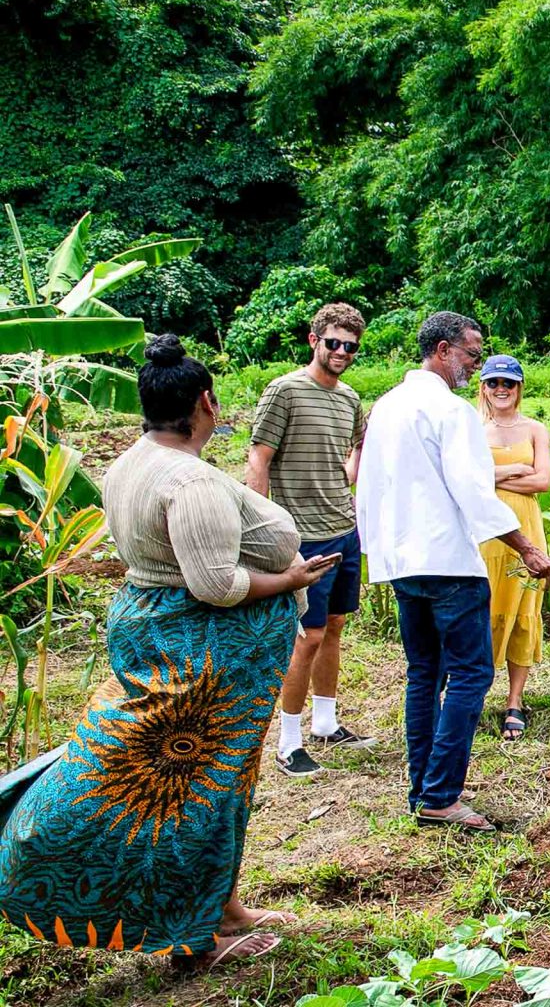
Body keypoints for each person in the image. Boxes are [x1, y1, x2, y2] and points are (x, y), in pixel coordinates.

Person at [0, 335, 334, 968]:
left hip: (160, 633)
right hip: (196, 653)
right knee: (188, 791)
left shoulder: (133, 460)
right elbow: (216, 585)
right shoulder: (191, 480)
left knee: (221, 782)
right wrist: (291, 580)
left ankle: (224, 907)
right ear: (206, 403)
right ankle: (194, 936)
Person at [357, 312, 550, 833]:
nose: (474, 363)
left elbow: (368, 486)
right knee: (470, 673)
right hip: (448, 561)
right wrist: (526, 547)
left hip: (402, 562)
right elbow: (472, 489)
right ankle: (442, 795)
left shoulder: (387, 406)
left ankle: (423, 787)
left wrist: (377, 553)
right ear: (443, 351)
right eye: (471, 353)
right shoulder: (450, 410)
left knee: (424, 674)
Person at [245, 302, 374, 780]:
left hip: (344, 526)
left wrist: (350, 478)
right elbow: (259, 458)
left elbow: (358, 444)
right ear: (314, 340)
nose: (342, 352)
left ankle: (325, 722)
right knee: (308, 635)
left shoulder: (349, 398)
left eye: (351, 346)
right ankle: (288, 740)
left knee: (335, 625)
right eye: (334, 342)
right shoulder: (285, 390)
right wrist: (260, 526)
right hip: (304, 533)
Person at [475, 355, 550, 742]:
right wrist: (510, 472)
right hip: (486, 533)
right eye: (493, 383)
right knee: (483, 609)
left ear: (519, 387)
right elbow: (467, 481)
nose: (500, 390)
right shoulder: (472, 429)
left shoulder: (535, 429)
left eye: (508, 383)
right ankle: (473, 696)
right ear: (483, 388)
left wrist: (493, 482)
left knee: (523, 608)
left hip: (526, 527)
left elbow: (542, 481)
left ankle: (515, 701)